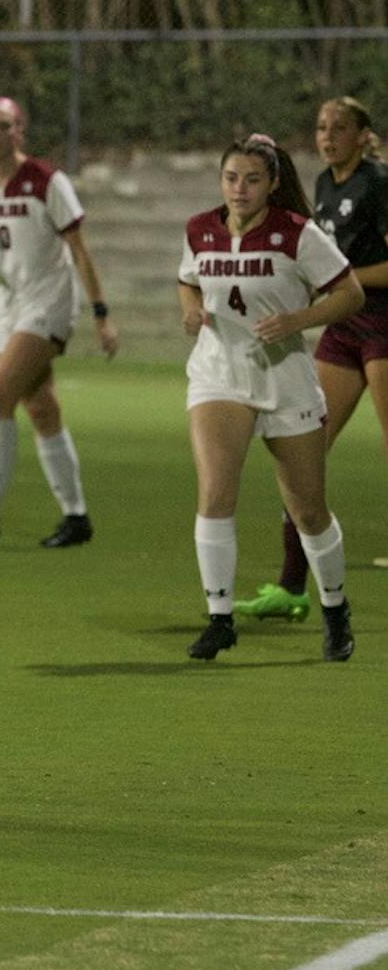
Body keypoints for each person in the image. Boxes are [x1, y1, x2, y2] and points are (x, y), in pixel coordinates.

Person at [178, 134, 365, 661]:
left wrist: (297, 321)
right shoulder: (200, 230)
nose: (240, 189)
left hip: (285, 380)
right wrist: (190, 309)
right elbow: (186, 280)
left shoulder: (297, 235)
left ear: (273, 183)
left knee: (308, 511)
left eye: (252, 179)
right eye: (231, 178)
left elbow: (349, 293)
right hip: (219, 375)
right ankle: (219, 618)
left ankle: (335, 609)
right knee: (215, 495)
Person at [235, 97, 388, 619]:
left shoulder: (378, 183)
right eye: (321, 127)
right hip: (342, 331)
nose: (328, 136)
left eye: (340, 127)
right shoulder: (324, 184)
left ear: (362, 134)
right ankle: (293, 587)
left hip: (384, 327)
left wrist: (339, 280)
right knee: (306, 453)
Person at [0, 95, 119, 549]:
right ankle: (77, 517)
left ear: (21, 131)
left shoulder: (46, 180)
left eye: (6, 125)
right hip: (6, 304)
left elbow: (80, 248)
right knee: (40, 406)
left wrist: (101, 314)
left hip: (48, 301)